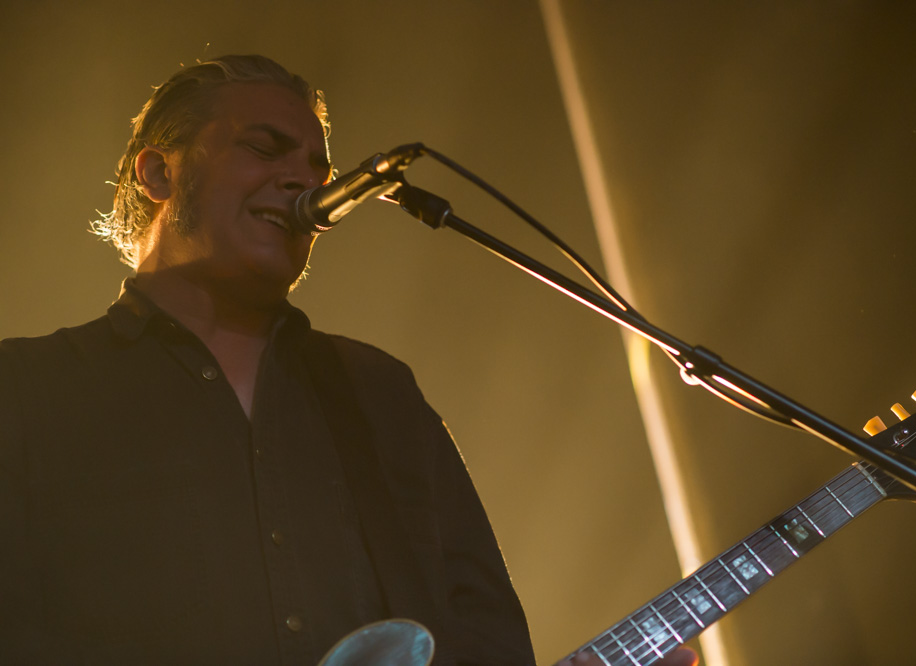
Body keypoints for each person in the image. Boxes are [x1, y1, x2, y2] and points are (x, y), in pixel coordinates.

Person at [0, 55, 696, 666]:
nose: (302, 186)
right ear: (158, 171)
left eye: (316, 170)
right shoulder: (29, 392)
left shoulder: (379, 394)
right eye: (265, 149)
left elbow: (485, 638)